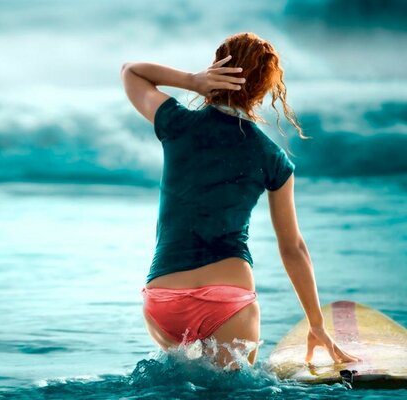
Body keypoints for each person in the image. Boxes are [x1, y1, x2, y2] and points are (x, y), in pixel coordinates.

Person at [120, 32, 361, 369]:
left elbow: (131, 71)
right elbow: (293, 249)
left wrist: (192, 81)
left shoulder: (177, 123)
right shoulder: (272, 157)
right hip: (228, 302)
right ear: (263, 89)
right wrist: (317, 325)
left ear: (217, 67)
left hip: (163, 302)